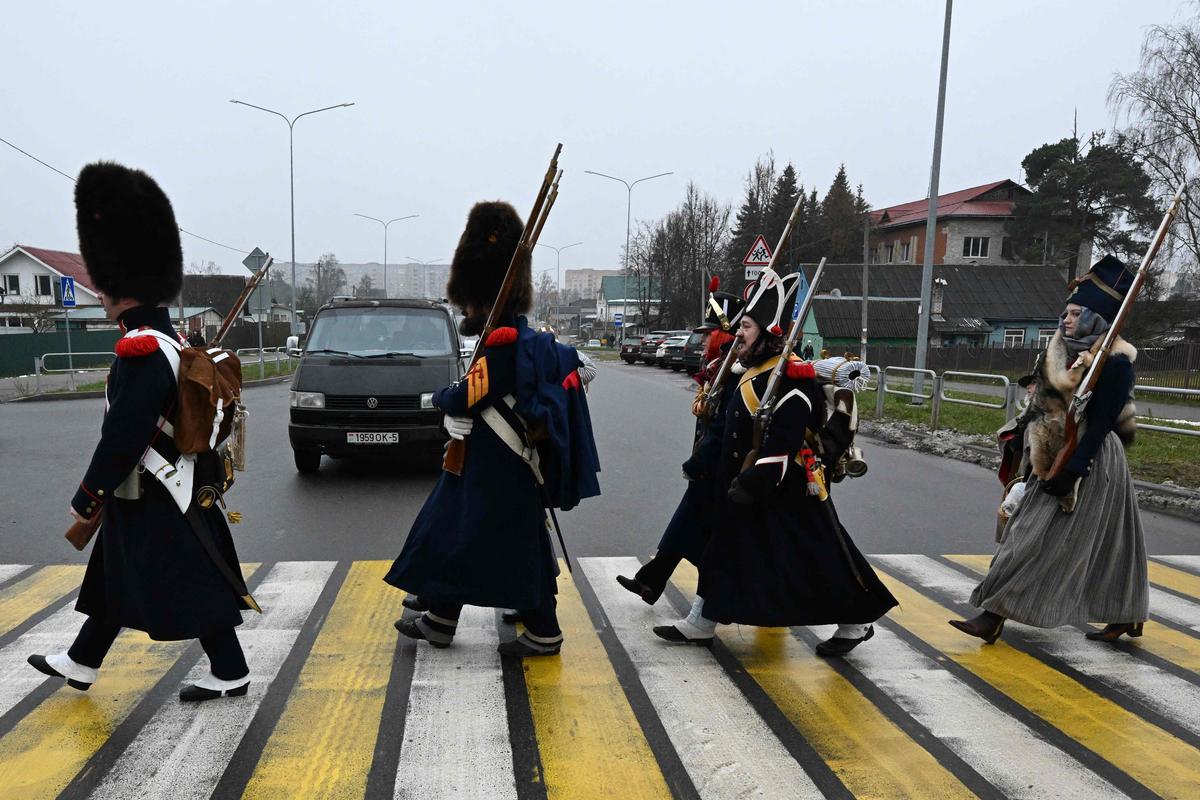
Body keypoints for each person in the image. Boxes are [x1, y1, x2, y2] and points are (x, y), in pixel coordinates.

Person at [28, 162, 254, 702]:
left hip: (158, 491)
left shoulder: (141, 349)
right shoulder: (170, 340)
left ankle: (230, 671)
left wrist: (89, 494)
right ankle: (82, 662)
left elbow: (124, 436)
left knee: (191, 578)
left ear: (116, 287)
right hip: (168, 487)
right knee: (115, 573)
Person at [386, 201, 601, 658]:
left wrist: (442, 399)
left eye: (468, 297)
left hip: (500, 466)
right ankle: (442, 618)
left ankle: (544, 632)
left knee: (503, 546)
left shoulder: (501, 340)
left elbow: (471, 393)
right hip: (489, 465)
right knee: (459, 534)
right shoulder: (501, 336)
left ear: (478, 297)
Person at [653, 269, 897, 654]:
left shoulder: (792, 380)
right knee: (723, 551)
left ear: (769, 332)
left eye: (746, 327)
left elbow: (783, 442)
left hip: (786, 490)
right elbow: (733, 430)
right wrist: (706, 467)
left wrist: (753, 482)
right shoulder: (753, 372)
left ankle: (855, 622)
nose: (739, 334)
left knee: (820, 559)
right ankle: (702, 620)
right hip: (752, 487)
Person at [951, 256, 1147, 644]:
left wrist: (1074, 468)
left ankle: (991, 615)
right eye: (1066, 312)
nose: (1066, 319)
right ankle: (1127, 613)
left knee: (1031, 534)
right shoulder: (1063, 353)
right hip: (1053, 450)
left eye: (1076, 313)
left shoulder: (1115, 363)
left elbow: (1104, 423)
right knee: (1112, 544)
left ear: (1097, 317)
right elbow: (1043, 407)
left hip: (1087, 457)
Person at [615, 288, 743, 604]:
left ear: (723, 334)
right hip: (708, 466)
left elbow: (722, 423)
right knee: (686, 524)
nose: (703, 340)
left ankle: (713, 596)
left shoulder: (731, 368)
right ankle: (651, 582)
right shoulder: (718, 365)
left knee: (703, 535)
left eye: (710, 333)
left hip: (718, 468)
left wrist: (699, 461)